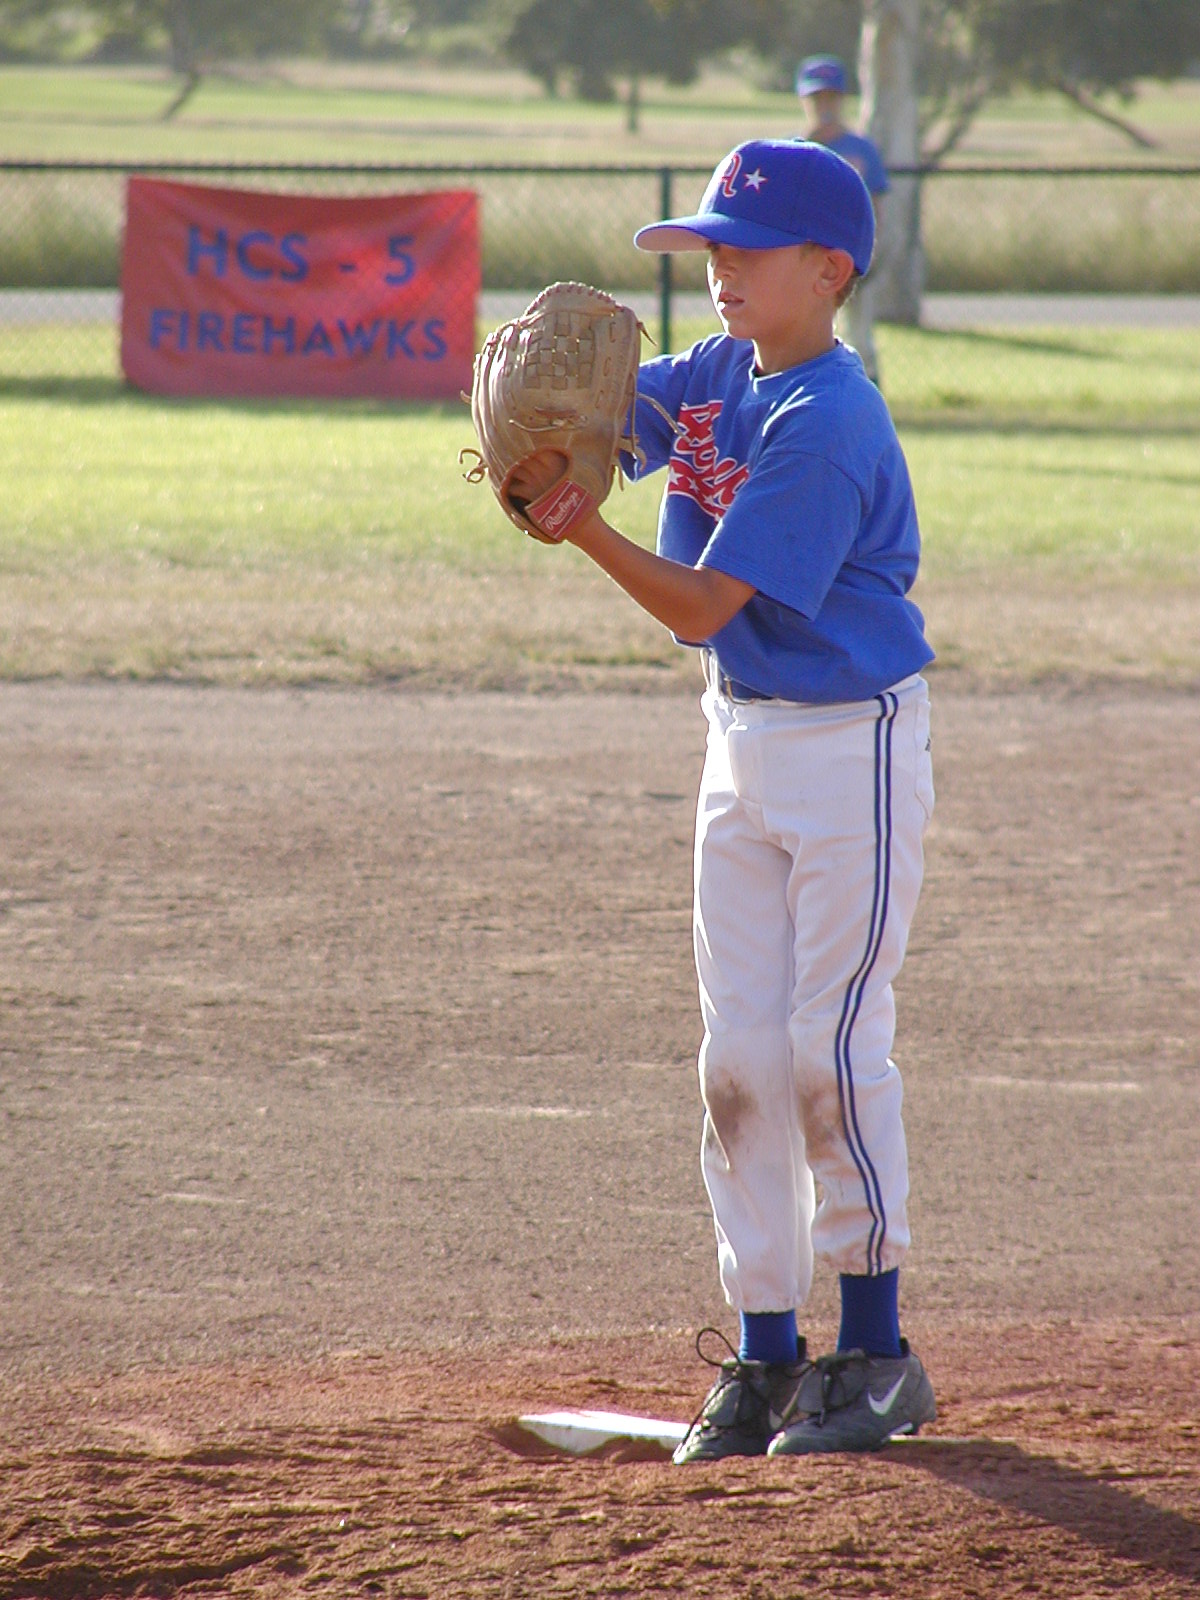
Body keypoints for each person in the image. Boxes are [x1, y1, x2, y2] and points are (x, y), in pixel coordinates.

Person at [506, 138, 936, 1462]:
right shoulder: (716, 375)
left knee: (829, 1047)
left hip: (850, 746)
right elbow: (604, 423)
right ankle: (764, 1352)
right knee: (738, 1058)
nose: (719, 271)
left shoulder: (828, 419)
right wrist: (546, 448)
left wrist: (581, 527)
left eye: (746, 251)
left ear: (830, 269)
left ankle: (878, 1354)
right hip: (739, 742)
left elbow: (700, 606)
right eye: (709, 250)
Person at [795, 54, 889, 386]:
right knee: (803, 331)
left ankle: (866, 394)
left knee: (860, 334)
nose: (824, 106)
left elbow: (876, 204)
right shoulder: (792, 150)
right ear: (804, 101)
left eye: (831, 97)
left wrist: (873, 250)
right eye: (816, 98)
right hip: (803, 255)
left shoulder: (861, 149)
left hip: (851, 251)